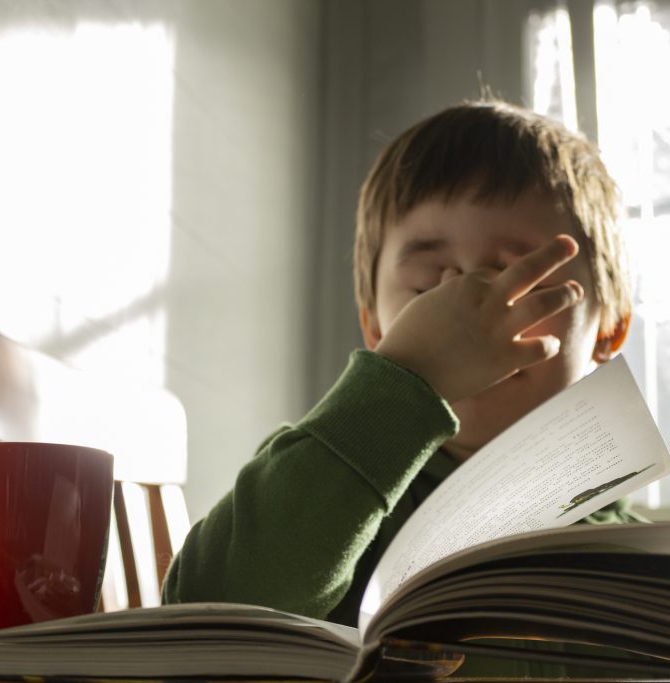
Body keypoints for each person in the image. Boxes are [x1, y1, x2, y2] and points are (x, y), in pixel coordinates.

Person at [162, 99, 644, 675]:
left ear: (609, 326)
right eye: (426, 290)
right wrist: (407, 375)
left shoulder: (642, 558)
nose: (466, 310)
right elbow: (202, 613)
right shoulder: (333, 484)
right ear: (375, 326)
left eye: (519, 277)